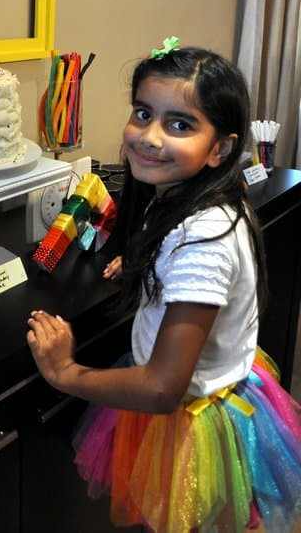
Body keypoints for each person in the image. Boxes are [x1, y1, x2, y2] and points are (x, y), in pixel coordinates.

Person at [26, 40, 301, 533]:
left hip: (195, 418)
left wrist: (66, 372)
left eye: (180, 124)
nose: (149, 137)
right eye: (143, 113)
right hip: (208, 389)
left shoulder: (204, 242)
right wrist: (137, 261)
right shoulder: (187, 195)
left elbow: (160, 387)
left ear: (220, 148)